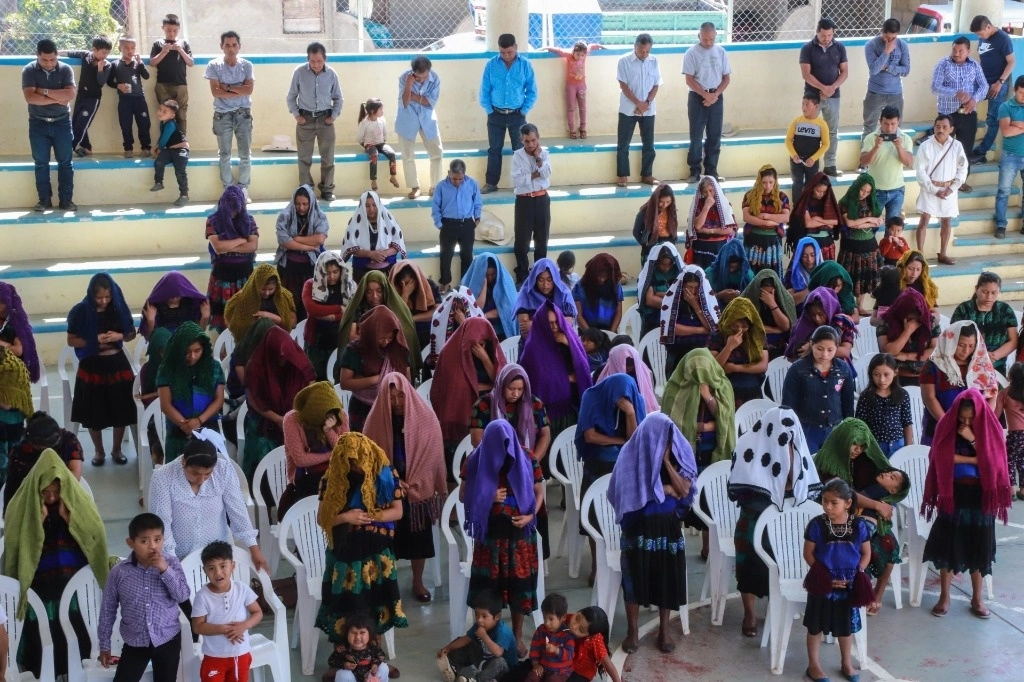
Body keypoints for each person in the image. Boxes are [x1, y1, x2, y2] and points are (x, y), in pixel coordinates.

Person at [3, 449, 109, 678]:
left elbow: (95, 535)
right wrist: (37, 520)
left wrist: (71, 519)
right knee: (43, 632)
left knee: (74, 628)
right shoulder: (20, 505)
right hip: (39, 583)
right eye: (46, 492)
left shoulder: (78, 502)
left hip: (73, 581)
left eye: (56, 492)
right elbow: (16, 549)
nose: (51, 497)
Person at [728, 405, 822, 637]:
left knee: (787, 561)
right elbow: (743, 490)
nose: (787, 443)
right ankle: (749, 613)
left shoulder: (798, 447)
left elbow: (804, 489)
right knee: (748, 562)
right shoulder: (747, 446)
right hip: (754, 517)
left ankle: (780, 602)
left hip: (786, 524)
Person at [607, 412, 697, 654]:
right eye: (660, 440)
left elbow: (685, 491)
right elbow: (628, 497)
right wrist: (665, 489)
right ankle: (632, 631)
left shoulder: (678, 454)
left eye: (667, 440)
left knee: (666, 578)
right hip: (638, 527)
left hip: (667, 526)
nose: (664, 444)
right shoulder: (630, 455)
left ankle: (664, 630)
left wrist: (666, 462)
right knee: (633, 580)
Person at [922, 389, 1011, 619]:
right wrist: (977, 457)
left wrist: (972, 438)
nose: (966, 422)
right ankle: (945, 596)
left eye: (971, 418)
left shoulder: (990, 427)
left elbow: (995, 461)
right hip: (954, 494)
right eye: (962, 417)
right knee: (948, 544)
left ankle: (977, 597)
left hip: (981, 496)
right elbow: (941, 457)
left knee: (978, 546)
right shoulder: (946, 425)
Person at [315, 432, 408, 642]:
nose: (357, 468)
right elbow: (322, 519)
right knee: (347, 604)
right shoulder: (333, 477)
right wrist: (347, 517)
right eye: (351, 464)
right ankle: (344, 655)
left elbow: (398, 511)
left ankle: (374, 655)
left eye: (360, 462)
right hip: (345, 552)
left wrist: (371, 517)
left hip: (377, 552)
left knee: (377, 601)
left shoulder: (385, 472)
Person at [815, 419, 911, 614]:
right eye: (854, 445)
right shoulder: (828, 461)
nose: (857, 450)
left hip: (860, 517)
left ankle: (877, 594)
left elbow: (888, 485)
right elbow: (842, 494)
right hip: (833, 519)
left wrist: (881, 505)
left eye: (861, 447)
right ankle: (853, 597)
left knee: (889, 544)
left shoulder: (865, 460)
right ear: (844, 440)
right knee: (857, 549)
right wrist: (877, 506)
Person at [462, 419, 542, 653]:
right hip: (490, 538)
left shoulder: (527, 457)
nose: (503, 452)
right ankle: (485, 636)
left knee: (520, 588)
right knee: (488, 591)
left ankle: (516, 636)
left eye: (507, 445)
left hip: (519, 538)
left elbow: (539, 492)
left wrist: (530, 517)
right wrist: (486, 496)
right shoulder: (476, 460)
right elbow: (462, 495)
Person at [364, 372, 445, 602]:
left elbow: (433, 452)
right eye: (391, 398)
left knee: (419, 538)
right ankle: (388, 584)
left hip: (418, 489)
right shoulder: (375, 422)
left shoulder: (424, 417)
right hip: (387, 492)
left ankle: (417, 581)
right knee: (386, 540)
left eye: (401, 396)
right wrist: (391, 481)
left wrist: (415, 478)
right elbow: (368, 459)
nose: (397, 402)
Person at [149, 432, 268, 571]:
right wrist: (173, 563)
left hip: (217, 554)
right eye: (195, 473)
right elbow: (162, 523)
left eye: (208, 474)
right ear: (183, 461)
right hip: (178, 554)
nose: (202, 480)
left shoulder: (223, 470)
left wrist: (254, 549)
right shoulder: (163, 477)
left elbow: (238, 511)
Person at [97, 513, 189, 682]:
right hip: (135, 642)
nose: (152, 546)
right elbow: (107, 609)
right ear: (131, 543)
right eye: (144, 541)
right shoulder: (119, 572)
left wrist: (164, 569)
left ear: (164, 539)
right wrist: (105, 644)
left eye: (158, 539)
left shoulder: (172, 563)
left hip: (168, 639)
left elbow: (182, 595)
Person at [801, 479, 873, 682]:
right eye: (824, 501)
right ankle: (813, 666)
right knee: (815, 626)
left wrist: (857, 573)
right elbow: (809, 554)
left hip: (849, 585)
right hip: (822, 584)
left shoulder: (859, 526)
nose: (828, 507)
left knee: (845, 627)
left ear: (848, 503)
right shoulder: (816, 525)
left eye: (834, 503)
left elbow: (866, 554)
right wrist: (826, 578)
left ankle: (846, 663)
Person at [67, 272, 136, 465]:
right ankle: (99, 451)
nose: (104, 301)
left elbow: (131, 333)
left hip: (117, 364)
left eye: (107, 297)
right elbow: (71, 340)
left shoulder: (118, 308)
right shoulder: (81, 311)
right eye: (99, 297)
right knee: (92, 410)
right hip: (92, 365)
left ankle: (117, 449)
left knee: (121, 408)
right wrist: (93, 339)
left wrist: (118, 336)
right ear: (91, 295)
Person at [432, 316, 505, 472]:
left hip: (490, 411)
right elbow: (458, 389)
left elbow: (502, 383)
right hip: (459, 418)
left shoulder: (490, 350)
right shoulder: (451, 353)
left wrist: (485, 358)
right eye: (475, 344)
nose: (479, 347)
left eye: (483, 343)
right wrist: (486, 387)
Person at [243, 325, 315, 479]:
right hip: (265, 421)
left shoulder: (298, 361)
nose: (282, 360)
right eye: (278, 356)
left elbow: (311, 388)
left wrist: (295, 417)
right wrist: (277, 419)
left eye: (285, 356)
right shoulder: (255, 367)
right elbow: (254, 400)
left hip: (295, 416)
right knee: (264, 456)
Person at [920, 320, 1002, 445]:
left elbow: (992, 394)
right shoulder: (933, 365)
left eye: (971, 346)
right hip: (942, 426)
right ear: (950, 342)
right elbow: (929, 398)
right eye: (961, 345)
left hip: (974, 430)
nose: (966, 351)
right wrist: (949, 425)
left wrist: (980, 424)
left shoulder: (982, 365)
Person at [192, 540, 262, 682]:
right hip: (213, 656)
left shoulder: (242, 589)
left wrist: (243, 626)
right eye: (211, 568)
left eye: (223, 566)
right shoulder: (202, 596)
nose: (218, 572)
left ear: (233, 566)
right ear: (204, 570)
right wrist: (225, 629)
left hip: (240, 654)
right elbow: (197, 626)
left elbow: (257, 613)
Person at [522, 301, 593, 441]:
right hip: (548, 413)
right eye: (550, 323)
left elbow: (583, 367)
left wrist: (569, 345)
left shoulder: (569, 337)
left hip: (570, 406)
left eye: (556, 322)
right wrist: (566, 379)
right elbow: (539, 379)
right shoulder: (533, 346)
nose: (554, 327)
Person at [157, 322, 225, 463]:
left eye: (197, 351)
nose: (192, 356)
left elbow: (218, 400)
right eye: (187, 352)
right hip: (178, 432)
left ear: (203, 349)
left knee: (207, 474)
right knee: (178, 474)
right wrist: (186, 425)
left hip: (208, 429)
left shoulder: (214, 368)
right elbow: (166, 405)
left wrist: (199, 421)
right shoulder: (167, 369)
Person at [22, 38, 77, 212]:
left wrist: (43, 92)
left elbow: (70, 95)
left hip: (62, 123)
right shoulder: (29, 70)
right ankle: (44, 200)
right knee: (41, 163)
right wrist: (57, 97)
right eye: (44, 59)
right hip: (38, 123)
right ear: (37, 55)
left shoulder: (66, 69)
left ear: (56, 56)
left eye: (52, 59)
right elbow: (30, 98)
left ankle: (66, 201)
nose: (48, 63)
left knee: (66, 163)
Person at [286, 42, 344, 201]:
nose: (316, 64)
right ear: (308, 59)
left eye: (319, 61)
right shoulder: (299, 72)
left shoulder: (331, 74)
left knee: (328, 158)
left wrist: (333, 116)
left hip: (326, 120)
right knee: (304, 158)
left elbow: (338, 98)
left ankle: (327, 189)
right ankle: (306, 190)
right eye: (312, 61)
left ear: (325, 59)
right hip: (305, 120)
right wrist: (298, 116)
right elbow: (291, 97)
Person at [339, 306, 413, 432]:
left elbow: (406, 381)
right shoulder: (355, 350)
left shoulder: (398, 348)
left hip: (394, 409)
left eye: (390, 337)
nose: (386, 342)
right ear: (371, 333)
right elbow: (345, 383)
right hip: (363, 409)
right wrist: (376, 380)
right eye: (381, 338)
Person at [783, 325, 855, 453]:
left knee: (833, 470)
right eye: (819, 349)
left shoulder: (843, 369)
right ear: (811, 344)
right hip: (806, 429)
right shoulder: (798, 369)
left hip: (835, 429)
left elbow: (848, 403)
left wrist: (849, 431)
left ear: (837, 348)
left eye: (830, 350)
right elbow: (788, 405)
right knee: (809, 468)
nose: (824, 354)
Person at [479, 33, 537, 194]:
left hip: (517, 115)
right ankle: (491, 183)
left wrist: (524, 110)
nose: (506, 55)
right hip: (495, 114)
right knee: (494, 149)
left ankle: (523, 184)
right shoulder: (491, 65)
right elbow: (485, 90)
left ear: (516, 48)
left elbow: (532, 91)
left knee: (520, 150)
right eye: (502, 52)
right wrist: (489, 111)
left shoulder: (525, 65)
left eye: (509, 52)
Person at [930, 38, 986, 195]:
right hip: (947, 114)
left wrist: (975, 99)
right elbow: (935, 86)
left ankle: (961, 181)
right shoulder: (943, 64)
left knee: (965, 149)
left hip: (968, 113)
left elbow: (984, 85)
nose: (956, 53)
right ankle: (937, 178)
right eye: (954, 50)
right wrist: (955, 93)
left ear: (968, 51)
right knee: (942, 147)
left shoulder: (974, 65)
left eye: (961, 51)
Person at [335, 270, 420, 374]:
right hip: (364, 360)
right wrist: (375, 343)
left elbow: (404, 336)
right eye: (369, 292)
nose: (374, 296)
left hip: (392, 360)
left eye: (379, 291)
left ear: (385, 290)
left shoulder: (394, 307)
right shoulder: (357, 308)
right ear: (363, 292)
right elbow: (352, 336)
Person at [205, 30, 254, 200]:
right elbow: (215, 92)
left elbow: (249, 90)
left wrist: (226, 87)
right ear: (221, 46)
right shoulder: (213, 65)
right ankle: (228, 190)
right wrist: (237, 89)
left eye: (234, 45)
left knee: (245, 154)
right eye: (227, 45)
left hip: (243, 114)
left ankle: (243, 190)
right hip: (222, 116)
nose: (231, 48)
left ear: (239, 46)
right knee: (225, 154)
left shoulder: (247, 65)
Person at [205, 185, 259, 332]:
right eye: (229, 209)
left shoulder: (249, 220)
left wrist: (227, 246)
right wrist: (241, 240)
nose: (232, 213)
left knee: (246, 317)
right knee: (224, 319)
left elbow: (252, 246)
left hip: (245, 276)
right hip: (222, 277)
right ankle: (224, 351)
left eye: (235, 209)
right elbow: (218, 248)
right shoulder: (213, 221)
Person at [915, 115, 968, 264]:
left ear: (951, 129)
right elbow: (920, 171)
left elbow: (963, 168)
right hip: (930, 188)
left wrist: (952, 188)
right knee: (924, 220)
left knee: (947, 222)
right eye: (938, 127)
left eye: (945, 127)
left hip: (948, 190)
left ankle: (943, 254)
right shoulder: (926, 146)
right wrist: (933, 190)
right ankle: (920, 255)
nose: (941, 130)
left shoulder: (957, 146)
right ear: (934, 127)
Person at [5, 411, 84, 511]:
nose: (47, 454)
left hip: (63, 492)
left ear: (58, 436)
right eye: (41, 450)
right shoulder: (20, 449)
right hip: (29, 495)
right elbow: (14, 482)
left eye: (50, 449)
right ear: (31, 442)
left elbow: (74, 475)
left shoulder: (69, 441)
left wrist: (54, 493)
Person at [436, 589, 519, 682]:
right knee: (466, 643)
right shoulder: (479, 625)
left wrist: (484, 636)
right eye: (476, 615)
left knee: (499, 662)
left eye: (484, 616)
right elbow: (465, 639)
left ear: (497, 617)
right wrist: (448, 648)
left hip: (505, 672)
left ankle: (477, 680)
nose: (479, 620)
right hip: (486, 662)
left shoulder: (503, 631)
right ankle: (453, 667)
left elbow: (498, 653)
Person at [682, 22, 731, 182]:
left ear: (715, 36)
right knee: (696, 136)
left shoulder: (721, 52)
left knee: (714, 135)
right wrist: (705, 95)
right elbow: (689, 79)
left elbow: (726, 78)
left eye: (711, 39)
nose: (708, 43)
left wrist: (715, 95)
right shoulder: (691, 53)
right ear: (699, 36)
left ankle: (712, 172)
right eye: (705, 39)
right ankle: (694, 171)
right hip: (697, 98)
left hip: (716, 97)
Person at [275, 184, 330, 321]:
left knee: (308, 308)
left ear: (311, 203)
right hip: (289, 270)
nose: (301, 208)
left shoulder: (320, 216)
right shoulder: (285, 216)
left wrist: (296, 239)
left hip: (310, 270)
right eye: (298, 204)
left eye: (305, 204)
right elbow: (284, 241)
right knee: (290, 308)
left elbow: (320, 239)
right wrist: (308, 247)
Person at [799, 19, 847, 177]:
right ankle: (808, 164)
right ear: (817, 32)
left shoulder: (839, 47)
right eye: (824, 35)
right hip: (813, 96)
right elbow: (806, 74)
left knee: (832, 132)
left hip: (834, 96)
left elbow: (844, 72)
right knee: (809, 130)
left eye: (830, 35)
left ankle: (830, 165)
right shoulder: (807, 48)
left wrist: (832, 88)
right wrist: (823, 88)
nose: (827, 38)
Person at [615, 33, 662, 187]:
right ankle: (622, 174)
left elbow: (656, 84)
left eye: (647, 51)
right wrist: (637, 103)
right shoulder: (624, 61)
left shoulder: (654, 61)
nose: (644, 54)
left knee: (649, 143)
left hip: (648, 109)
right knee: (623, 143)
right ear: (635, 47)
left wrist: (646, 103)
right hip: (629, 109)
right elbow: (624, 85)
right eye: (641, 51)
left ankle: (647, 174)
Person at [951, 271, 1019, 375]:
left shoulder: (1005, 310)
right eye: (985, 292)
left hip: (996, 365)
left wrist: (993, 356)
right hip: (966, 364)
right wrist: (978, 357)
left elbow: (1013, 340)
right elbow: (952, 338)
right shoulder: (963, 309)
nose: (989, 297)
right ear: (976, 289)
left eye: (993, 293)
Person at [302, 252, 356, 381]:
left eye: (335, 272)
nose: (331, 276)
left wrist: (329, 316)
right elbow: (313, 309)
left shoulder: (349, 286)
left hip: (341, 341)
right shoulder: (311, 285)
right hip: (316, 342)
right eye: (327, 273)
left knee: (337, 378)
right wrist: (339, 309)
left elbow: (352, 312)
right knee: (317, 379)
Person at [969, 15, 1016, 164]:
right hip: (983, 82)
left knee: (992, 119)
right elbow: (983, 60)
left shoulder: (1003, 39)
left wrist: (1000, 82)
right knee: (964, 102)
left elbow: (1011, 62)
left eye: (981, 33)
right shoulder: (983, 37)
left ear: (988, 27)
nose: (979, 36)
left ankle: (982, 152)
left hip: (997, 85)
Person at [396, 55, 443, 199]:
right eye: (418, 77)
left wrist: (414, 96)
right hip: (407, 119)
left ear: (429, 71)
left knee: (437, 152)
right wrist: (409, 84)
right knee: (407, 155)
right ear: (412, 72)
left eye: (424, 76)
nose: (422, 80)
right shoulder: (404, 78)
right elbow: (405, 102)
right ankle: (414, 187)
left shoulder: (435, 79)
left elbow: (430, 103)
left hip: (427, 119)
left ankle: (435, 186)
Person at [659, 265, 719, 376]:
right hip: (680, 352)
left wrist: (695, 305)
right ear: (682, 286)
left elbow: (712, 327)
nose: (693, 291)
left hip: (703, 353)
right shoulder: (673, 302)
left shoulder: (705, 302)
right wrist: (701, 330)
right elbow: (674, 328)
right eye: (690, 287)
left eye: (696, 288)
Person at [837, 172, 884, 314]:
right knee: (849, 275)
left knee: (864, 275)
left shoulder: (872, 202)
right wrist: (869, 220)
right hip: (851, 246)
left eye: (868, 191)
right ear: (857, 187)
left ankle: (860, 306)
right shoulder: (845, 202)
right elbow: (850, 223)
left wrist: (862, 223)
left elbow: (879, 220)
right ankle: (849, 306)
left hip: (869, 244)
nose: (864, 194)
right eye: (862, 190)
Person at [433, 159, 482, 293]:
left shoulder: (472, 184)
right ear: (449, 173)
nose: (457, 182)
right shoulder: (441, 186)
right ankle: (445, 282)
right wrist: (439, 223)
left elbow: (477, 202)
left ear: (464, 175)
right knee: (446, 255)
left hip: (467, 224)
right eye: (454, 179)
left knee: (466, 255)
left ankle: (465, 284)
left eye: (460, 179)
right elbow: (436, 206)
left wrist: (477, 219)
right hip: (448, 224)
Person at [512, 123, 552, 284]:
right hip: (524, 201)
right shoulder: (517, 156)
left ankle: (539, 273)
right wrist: (536, 174)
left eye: (533, 140)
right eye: (527, 141)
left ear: (538, 139)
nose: (530, 144)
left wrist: (538, 158)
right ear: (521, 140)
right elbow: (517, 180)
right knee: (522, 241)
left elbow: (547, 173)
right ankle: (522, 274)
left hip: (542, 198)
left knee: (542, 239)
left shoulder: (545, 154)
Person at [709, 297, 768, 407]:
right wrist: (729, 347)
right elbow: (714, 367)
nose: (739, 330)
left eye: (744, 327)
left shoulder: (756, 335)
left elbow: (763, 365)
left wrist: (735, 368)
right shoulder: (718, 335)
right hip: (725, 386)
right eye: (735, 326)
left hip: (751, 387)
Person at [860, 106, 914, 220]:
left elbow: (909, 163)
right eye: (886, 124)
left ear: (898, 122)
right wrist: (876, 147)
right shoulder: (870, 138)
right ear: (880, 121)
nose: (889, 128)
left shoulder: (905, 139)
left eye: (893, 124)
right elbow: (863, 162)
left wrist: (899, 147)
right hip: (875, 190)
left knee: (892, 229)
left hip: (897, 190)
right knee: (870, 227)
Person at [876, 287, 939, 386]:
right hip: (895, 379)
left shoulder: (929, 322)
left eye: (916, 318)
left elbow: (936, 352)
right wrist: (907, 331)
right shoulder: (886, 322)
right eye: (908, 318)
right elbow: (889, 352)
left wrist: (906, 356)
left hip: (926, 378)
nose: (912, 321)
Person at [61, 35, 112, 157]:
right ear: (94, 49)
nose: (105, 56)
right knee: (76, 123)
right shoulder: (85, 55)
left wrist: (100, 68)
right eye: (103, 52)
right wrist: (56, 53)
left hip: (93, 99)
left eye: (107, 53)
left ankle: (69, 149)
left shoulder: (107, 65)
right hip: (81, 96)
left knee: (82, 125)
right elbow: (70, 53)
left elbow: (101, 82)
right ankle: (87, 147)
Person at [341, 190, 407, 282]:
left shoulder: (389, 220)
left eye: (374, 205)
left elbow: (397, 244)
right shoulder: (355, 222)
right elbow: (351, 248)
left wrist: (384, 254)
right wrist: (370, 254)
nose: (371, 209)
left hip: (387, 270)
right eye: (367, 206)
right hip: (362, 272)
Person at [856, 353, 914, 457]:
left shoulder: (902, 394)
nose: (882, 380)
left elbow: (907, 423)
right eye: (876, 375)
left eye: (886, 375)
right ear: (871, 374)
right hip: (874, 446)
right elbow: (860, 425)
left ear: (895, 373)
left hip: (898, 445)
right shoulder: (865, 396)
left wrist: (908, 449)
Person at [223, 263, 297, 343]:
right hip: (251, 344)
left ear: (277, 286)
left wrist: (272, 317)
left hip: (277, 341)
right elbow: (231, 322)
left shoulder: (284, 297)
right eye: (263, 289)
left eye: (271, 289)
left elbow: (293, 323)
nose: (267, 293)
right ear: (255, 286)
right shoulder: (241, 299)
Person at [862, 19, 910, 140]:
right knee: (869, 128)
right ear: (881, 31)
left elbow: (906, 70)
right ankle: (866, 157)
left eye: (893, 38)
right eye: (887, 37)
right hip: (875, 92)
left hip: (896, 93)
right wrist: (887, 51)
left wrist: (888, 67)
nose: (890, 41)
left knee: (896, 128)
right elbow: (874, 69)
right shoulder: (871, 45)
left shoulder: (902, 45)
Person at [784, 287, 856, 364]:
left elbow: (845, 352)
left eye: (820, 314)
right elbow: (792, 355)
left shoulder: (843, 323)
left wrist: (812, 349)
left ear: (829, 309)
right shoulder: (803, 326)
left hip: (839, 369)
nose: (817, 319)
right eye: (813, 315)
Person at [741, 165, 791, 276]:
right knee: (752, 273)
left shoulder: (782, 197)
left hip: (772, 241)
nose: (767, 186)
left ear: (775, 182)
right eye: (764, 182)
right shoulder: (750, 195)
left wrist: (765, 216)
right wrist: (766, 223)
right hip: (754, 240)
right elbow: (746, 217)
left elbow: (785, 217)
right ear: (759, 181)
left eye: (771, 182)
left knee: (771, 275)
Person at [149, 14, 193, 134]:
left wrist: (180, 50)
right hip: (163, 85)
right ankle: (166, 145)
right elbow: (152, 63)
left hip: (180, 85)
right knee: (165, 115)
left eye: (175, 30)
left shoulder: (183, 43)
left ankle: (181, 145)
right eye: (168, 30)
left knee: (181, 115)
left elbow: (190, 63)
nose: (172, 33)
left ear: (179, 29)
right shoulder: (158, 44)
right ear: (163, 28)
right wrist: (164, 51)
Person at [107, 37, 150, 158]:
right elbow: (109, 81)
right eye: (126, 48)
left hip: (139, 99)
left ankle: (146, 147)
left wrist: (141, 63)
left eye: (132, 48)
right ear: (120, 48)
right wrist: (118, 86)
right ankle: (128, 148)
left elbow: (146, 76)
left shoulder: (137, 63)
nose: (130, 50)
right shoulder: (115, 64)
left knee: (144, 124)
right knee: (125, 124)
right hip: (125, 100)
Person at [514, 258, 577, 340]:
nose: (545, 285)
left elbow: (568, 324)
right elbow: (526, 331)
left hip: (560, 343)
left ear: (555, 279)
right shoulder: (526, 295)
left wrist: (535, 325)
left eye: (549, 280)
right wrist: (558, 323)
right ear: (534, 279)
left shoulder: (564, 294)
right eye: (541, 280)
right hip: (533, 345)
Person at [741, 269, 796, 360]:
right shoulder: (747, 298)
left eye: (770, 293)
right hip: (754, 343)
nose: (766, 296)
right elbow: (748, 326)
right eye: (763, 293)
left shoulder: (785, 299)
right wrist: (776, 330)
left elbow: (786, 326)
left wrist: (772, 304)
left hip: (779, 345)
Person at [994, 76, 1024, 238]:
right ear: (1015, 90)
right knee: (1004, 191)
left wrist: (1017, 125)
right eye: (1021, 93)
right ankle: (1000, 225)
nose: (1023, 96)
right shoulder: (1006, 106)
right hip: (1010, 155)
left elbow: (1012, 128)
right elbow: (1006, 131)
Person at [786, 93, 830, 202]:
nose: (804, 107)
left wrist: (813, 158)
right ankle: (796, 207)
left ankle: (809, 207)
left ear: (816, 107)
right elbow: (788, 140)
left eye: (807, 104)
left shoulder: (821, 124)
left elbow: (825, 144)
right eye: (802, 104)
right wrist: (793, 155)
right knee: (797, 182)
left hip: (811, 161)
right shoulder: (796, 121)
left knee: (811, 184)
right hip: (796, 160)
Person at [786, 172, 841, 261]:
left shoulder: (828, 202)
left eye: (824, 191)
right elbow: (808, 223)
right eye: (818, 191)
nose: (821, 194)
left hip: (827, 244)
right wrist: (827, 222)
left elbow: (834, 222)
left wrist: (818, 219)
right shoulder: (805, 202)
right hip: (809, 245)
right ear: (812, 188)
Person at [686, 175, 737, 268]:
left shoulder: (724, 204)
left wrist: (708, 231)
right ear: (701, 192)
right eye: (705, 192)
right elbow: (697, 226)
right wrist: (706, 206)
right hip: (701, 249)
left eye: (711, 190)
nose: (709, 194)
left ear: (716, 190)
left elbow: (729, 229)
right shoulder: (698, 204)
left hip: (720, 247)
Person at [139, 271, 208, 340]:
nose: (174, 296)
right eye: (171, 292)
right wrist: (150, 321)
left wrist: (205, 318)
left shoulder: (191, 304)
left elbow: (199, 336)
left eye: (177, 292)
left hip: (187, 346)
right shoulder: (155, 307)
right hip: (165, 347)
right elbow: (149, 338)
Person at [464, 253, 517, 341]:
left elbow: (508, 308)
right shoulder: (469, 284)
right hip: (479, 327)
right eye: (486, 275)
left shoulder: (504, 283)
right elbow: (477, 307)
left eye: (493, 274)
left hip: (500, 329)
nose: (490, 278)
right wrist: (484, 285)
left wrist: (486, 315)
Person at [389, 259, 438, 351]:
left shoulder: (429, 285)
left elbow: (437, 312)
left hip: (426, 330)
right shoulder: (392, 288)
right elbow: (395, 317)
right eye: (402, 284)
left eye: (409, 283)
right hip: (404, 331)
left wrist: (412, 319)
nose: (406, 287)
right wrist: (405, 295)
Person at [428, 287, 487, 363]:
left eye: (461, 303)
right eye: (455, 302)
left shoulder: (478, 318)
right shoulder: (441, 318)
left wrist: (464, 323)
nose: (457, 307)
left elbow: (479, 343)